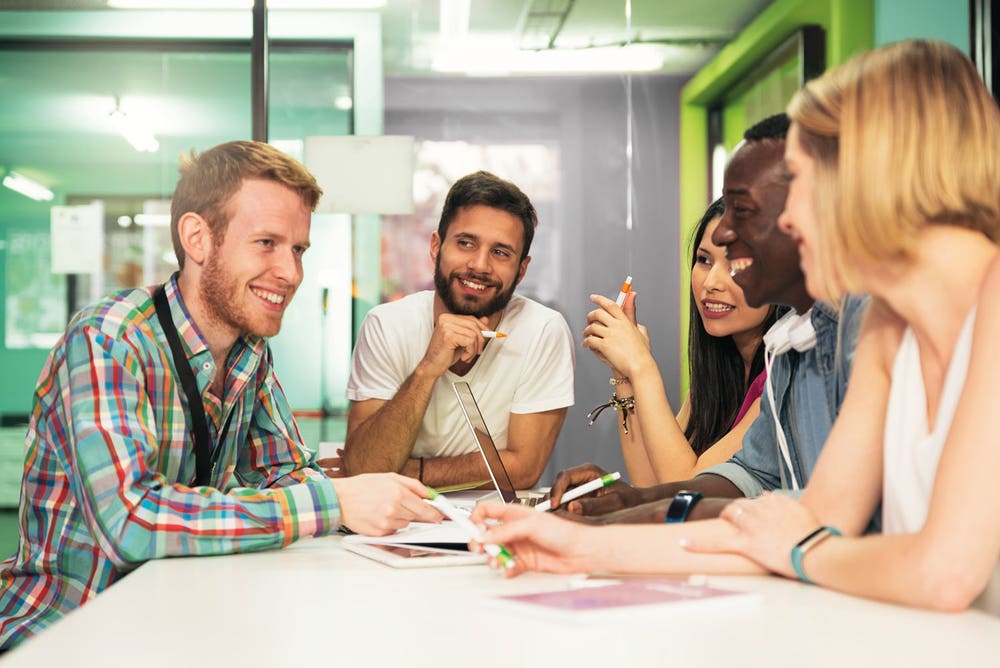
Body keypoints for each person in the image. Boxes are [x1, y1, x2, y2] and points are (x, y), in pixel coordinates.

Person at [0, 141, 441, 649]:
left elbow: (285, 471)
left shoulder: (248, 351)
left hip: (179, 617)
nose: (292, 273)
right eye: (267, 243)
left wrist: (372, 504)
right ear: (198, 238)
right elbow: (131, 522)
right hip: (68, 632)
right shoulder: (108, 340)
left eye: (298, 249)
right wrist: (332, 502)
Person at [683, 39, 1000, 612]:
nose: (789, 217)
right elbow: (811, 521)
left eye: (800, 181)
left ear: (868, 172)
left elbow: (942, 572)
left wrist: (805, 551)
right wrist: (575, 545)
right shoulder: (887, 320)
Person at [539, 114, 866, 524]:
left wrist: (641, 366)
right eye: (704, 259)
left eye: (743, 212)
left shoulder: (860, 328)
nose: (727, 234)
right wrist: (631, 501)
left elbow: (831, 512)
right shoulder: (784, 347)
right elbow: (741, 477)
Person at [331, 171, 575, 489]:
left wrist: (406, 473)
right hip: (394, 513)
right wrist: (427, 370)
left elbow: (523, 469)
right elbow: (366, 467)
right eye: (466, 243)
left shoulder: (543, 330)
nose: (480, 265)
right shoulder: (387, 325)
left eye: (500, 252)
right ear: (436, 246)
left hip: (496, 515)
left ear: (521, 269)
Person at [583, 198, 774, 486]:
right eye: (704, 260)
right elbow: (650, 484)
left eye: (737, 264)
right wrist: (623, 374)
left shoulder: (781, 380)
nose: (711, 283)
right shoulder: (719, 372)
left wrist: (641, 365)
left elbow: (685, 486)